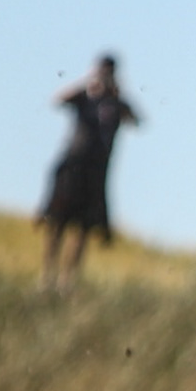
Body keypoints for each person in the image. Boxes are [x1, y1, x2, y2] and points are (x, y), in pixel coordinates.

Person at [37, 55, 142, 294]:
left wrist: (117, 96)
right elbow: (58, 99)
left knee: (83, 227)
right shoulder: (83, 96)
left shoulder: (117, 103)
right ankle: (46, 276)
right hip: (72, 165)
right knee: (56, 222)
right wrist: (87, 84)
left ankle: (67, 281)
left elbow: (136, 121)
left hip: (96, 172)